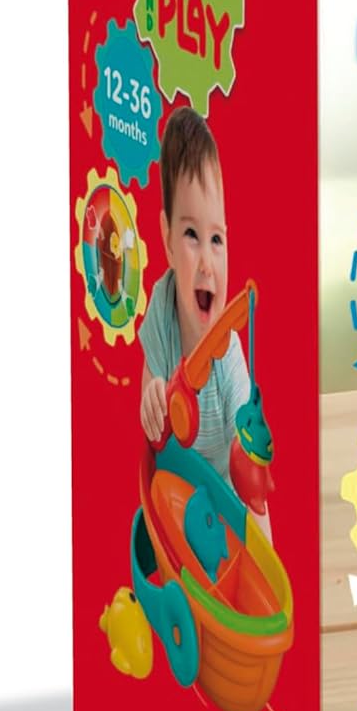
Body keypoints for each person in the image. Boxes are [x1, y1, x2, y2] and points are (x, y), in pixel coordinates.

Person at [138, 107, 249, 480]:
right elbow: (150, 409)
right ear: (167, 238)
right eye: (190, 235)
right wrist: (152, 397)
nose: (207, 263)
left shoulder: (229, 357)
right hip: (173, 488)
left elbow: (248, 458)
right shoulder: (162, 305)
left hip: (222, 498)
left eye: (216, 239)